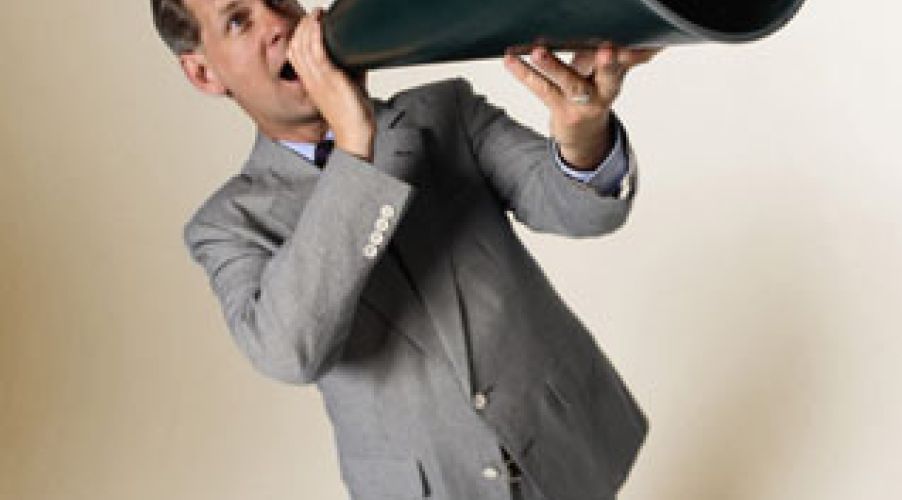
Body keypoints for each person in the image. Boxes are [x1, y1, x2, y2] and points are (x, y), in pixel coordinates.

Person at [154, 0, 659, 498]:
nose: (278, 25)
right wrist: (354, 146)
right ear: (203, 73)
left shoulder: (445, 112)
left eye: (278, 0)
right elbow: (290, 353)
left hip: (564, 445)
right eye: (238, 21)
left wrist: (583, 137)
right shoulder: (227, 224)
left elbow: (576, 211)